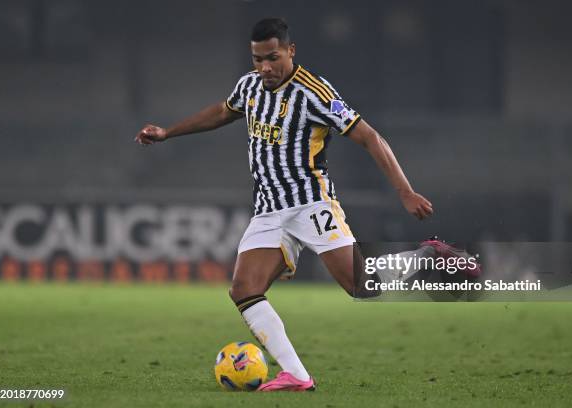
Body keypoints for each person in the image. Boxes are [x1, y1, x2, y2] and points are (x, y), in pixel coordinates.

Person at [135, 17, 462, 392]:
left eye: (272, 57)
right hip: (269, 210)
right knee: (243, 289)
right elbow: (223, 112)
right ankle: (297, 376)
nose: (265, 67)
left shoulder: (315, 93)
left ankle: (428, 255)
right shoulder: (250, 86)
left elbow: (371, 137)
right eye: (257, 59)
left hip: (311, 205)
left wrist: (405, 191)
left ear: (290, 50)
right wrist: (168, 132)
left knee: (363, 286)